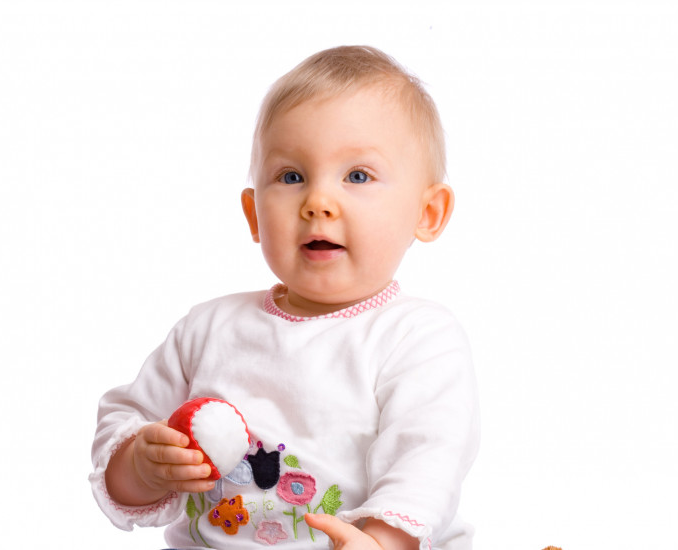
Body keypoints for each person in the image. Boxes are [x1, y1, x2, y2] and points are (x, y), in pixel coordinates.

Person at [90, 45, 480, 550]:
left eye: (357, 176)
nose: (318, 203)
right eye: (291, 177)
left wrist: (383, 541)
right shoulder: (208, 329)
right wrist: (141, 466)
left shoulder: (417, 338)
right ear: (254, 215)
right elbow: (123, 423)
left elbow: (429, 459)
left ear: (427, 212)